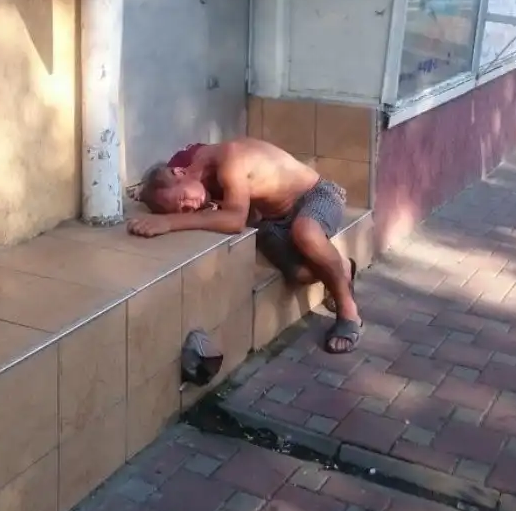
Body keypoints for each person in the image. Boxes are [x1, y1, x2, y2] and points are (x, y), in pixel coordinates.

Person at [128, 138, 362, 354]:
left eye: (183, 199)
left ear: (180, 172)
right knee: (301, 274)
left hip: (316, 195)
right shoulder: (192, 174)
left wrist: (170, 222)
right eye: (183, 210)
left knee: (306, 233)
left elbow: (235, 220)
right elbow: (160, 184)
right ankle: (341, 268)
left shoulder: (229, 157)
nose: (190, 206)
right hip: (274, 221)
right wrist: (147, 196)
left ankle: (348, 313)